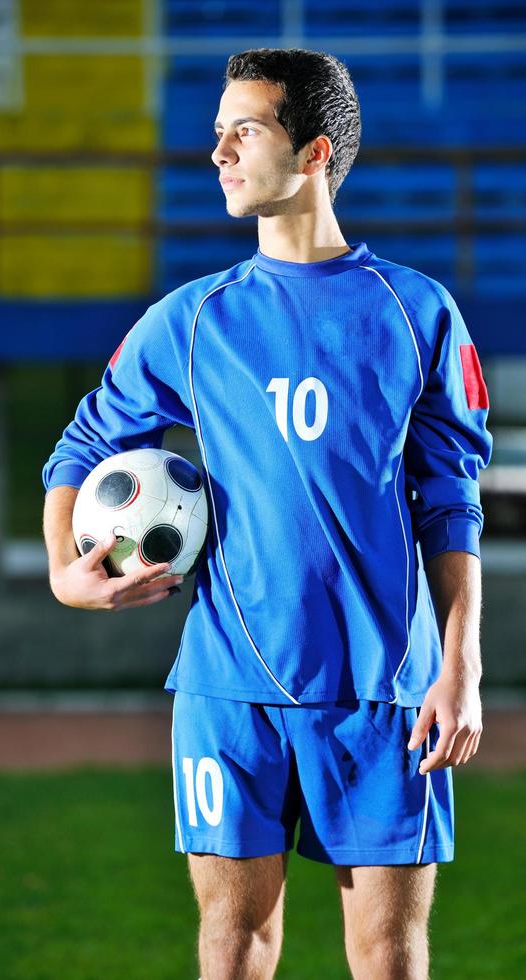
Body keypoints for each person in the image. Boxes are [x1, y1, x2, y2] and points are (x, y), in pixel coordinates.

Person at [43, 48, 492, 980]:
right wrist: (63, 570)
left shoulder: (417, 312)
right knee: (234, 945)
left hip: (385, 692)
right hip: (227, 689)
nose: (218, 153)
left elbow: (450, 504)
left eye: (243, 130)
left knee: (388, 953)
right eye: (216, 133)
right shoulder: (192, 319)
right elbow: (81, 446)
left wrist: (461, 668)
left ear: (316, 151)